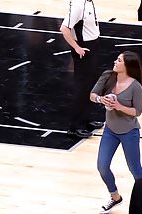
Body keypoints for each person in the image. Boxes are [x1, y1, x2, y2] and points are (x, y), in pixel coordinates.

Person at [90, 51, 142, 214]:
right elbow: (92, 95)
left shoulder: (136, 86)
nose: (115, 61)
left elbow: (138, 111)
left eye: (119, 60)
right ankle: (115, 197)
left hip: (129, 131)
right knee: (102, 167)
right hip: (110, 130)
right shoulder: (108, 76)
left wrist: (120, 107)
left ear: (127, 66)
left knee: (135, 168)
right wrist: (101, 99)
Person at [60, 0, 103, 138]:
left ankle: (86, 119)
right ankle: (75, 126)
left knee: (90, 86)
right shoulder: (78, 5)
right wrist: (76, 47)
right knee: (82, 87)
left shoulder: (88, 2)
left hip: (93, 45)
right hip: (84, 48)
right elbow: (64, 28)